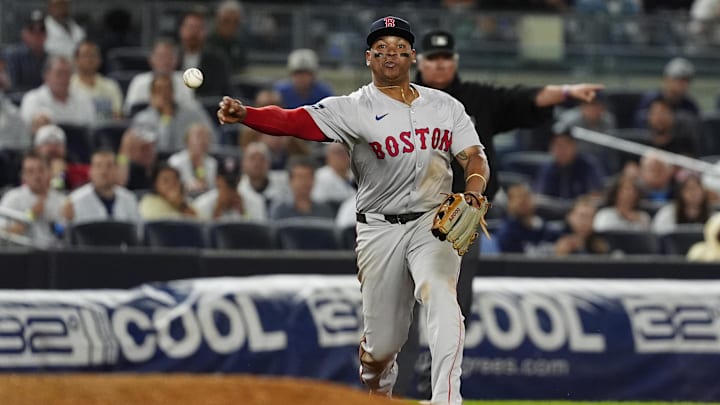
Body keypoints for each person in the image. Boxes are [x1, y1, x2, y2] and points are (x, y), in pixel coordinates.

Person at [218, 16, 490, 404]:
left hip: (434, 224)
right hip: (379, 230)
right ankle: (378, 388)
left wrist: (475, 190)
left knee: (443, 297)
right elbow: (296, 121)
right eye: (382, 49)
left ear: (412, 55)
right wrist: (248, 115)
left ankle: (447, 399)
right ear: (368, 58)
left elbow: (474, 156)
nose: (391, 55)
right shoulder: (354, 107)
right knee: (383, 346)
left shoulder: (445, 106)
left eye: (399, 48)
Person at [131, 74, 215, 153]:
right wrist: (166, 116)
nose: (164, 95)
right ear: (152, 95)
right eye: (159, 90)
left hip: (189, 161)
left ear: (173, 92)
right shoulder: (142, 120)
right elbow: (162, 148)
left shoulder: (192, 113)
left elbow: (212, 137)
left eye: (167, 89)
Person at [0, 151, 65, 247]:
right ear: (23, 175)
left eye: (41, 170)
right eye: (30, 171)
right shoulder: (12, 198)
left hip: (54, 256)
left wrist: (62, 225)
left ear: (49, 172)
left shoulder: (62, 200)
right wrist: (30, 215)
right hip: (21, 255)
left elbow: (65, 236)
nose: (36, 176)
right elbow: (3, 236)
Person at [63, 149, 140, 225]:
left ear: (116, 170)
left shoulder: (129, 199)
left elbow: (138, 232)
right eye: (98, 166)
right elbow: (63, 232)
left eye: (109, 166)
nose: (103, 171)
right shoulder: (75, 201)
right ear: (90, 171)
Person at [123, 38, 196, 115]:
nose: (165, 61)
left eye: (169, 57)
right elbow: (129, 112)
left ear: (176, 60)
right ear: (151, 59)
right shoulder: (139, 81)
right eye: (160, 56)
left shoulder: (185, 81)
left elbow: (191, 112)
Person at [19, 55, 95, 128]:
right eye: (59, 74)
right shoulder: (32, 99)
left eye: (67, 73)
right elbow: (27, 132)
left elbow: (91, 129)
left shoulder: (83, 98)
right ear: (46, 76)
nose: (64, 78)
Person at [534, 131, 605, 200]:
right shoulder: (547, 168)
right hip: (553, 210)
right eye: (558, 145)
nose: (562, 150)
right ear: (551, 148)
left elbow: (596, 195)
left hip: (581, 210)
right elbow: (540, 197)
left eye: (566, 145)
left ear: (574, 146)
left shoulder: (588, 164)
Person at [633, 57, 700, 128]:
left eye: (687, 80)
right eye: (678, 79)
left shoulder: (689, 105)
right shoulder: (652, 99)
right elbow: (638, 124)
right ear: (667, 79)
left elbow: (697, 127)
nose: (683, 84)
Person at [178, 10, 231, 97]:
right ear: (181, 30)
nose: (194, 33)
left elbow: (225, 90)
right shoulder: (171, 57)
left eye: (198, 28)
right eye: (190, 27)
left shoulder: (217, 61)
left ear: (205, 32)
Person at [70, 39, 124, 122]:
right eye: (85, 55)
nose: (89, 59)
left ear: (100, 60)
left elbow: (118, 116)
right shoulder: (68, 85)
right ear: (76, 60)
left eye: (93, 55)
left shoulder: (111, 86)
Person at [496, 182, 558, 254]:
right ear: (509, 204)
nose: (522, 200)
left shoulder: (543, 227)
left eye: (526, 195)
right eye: (517, 197)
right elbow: (514, 263)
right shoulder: (507, 233)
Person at [193, 163, 266, 221]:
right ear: (217, 180)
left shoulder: (255, 202)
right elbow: (202, 236)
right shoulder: (202, 203)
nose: (230, 189)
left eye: (233, 184)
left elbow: (258, 235)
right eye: (227, 183)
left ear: (240, 180)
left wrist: (243, 213)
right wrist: (217, 210)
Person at [269, 157, 335, 220]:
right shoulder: (280, 210)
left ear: (314, 180)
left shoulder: (324, 210)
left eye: (308, 177)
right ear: (290, 181)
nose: (304, 182)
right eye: (300, 177)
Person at [33, 124, 89, 191]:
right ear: (37, 149)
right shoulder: (32, 174)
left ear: (65, 149)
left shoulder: (83, 172)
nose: (53, 148)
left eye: (57, 143)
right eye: (47, 143)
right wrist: (57, 176)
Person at [4, 10, 48, 92]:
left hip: (44, 102)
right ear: (23, 34)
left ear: (46, 35)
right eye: (32, 30)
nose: (37, 34)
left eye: (42, 29)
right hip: (18, 101)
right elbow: (12, 88)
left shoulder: (49, 57)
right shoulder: (13, 55)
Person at [168, 123, 218, 196]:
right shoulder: (175, 162)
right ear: (187, 140)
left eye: (207, 137)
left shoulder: (212, 163)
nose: (203, 140)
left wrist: (200, 166)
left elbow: (209, 188)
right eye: (199, 136)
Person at [206, 0, 248, 73]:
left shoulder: (240, 44)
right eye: (226, 21)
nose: (230, 26)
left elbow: (242, 68)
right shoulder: (206, 43)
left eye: (235, 22)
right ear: (218, 20)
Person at [311, 142, 355, 208]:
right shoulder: (320, 176)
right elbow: (319, 202)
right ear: (328, 157)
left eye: (346, 152)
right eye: (338, 152)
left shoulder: (356, 175)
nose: (343, 156)